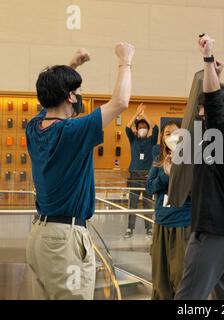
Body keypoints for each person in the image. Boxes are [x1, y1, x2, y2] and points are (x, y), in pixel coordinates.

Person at [26, 43, 135, 299]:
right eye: (78, 91)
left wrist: (71, 66)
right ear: (70, 97)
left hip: (39, 238)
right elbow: (120, 102)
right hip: (64, 241)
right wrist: (125, 61)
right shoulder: (72, 132)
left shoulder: (34, 128)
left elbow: (51, 100)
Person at [175, 34, 224, 300]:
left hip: (214, 232)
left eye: (206, 108)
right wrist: (211, 72)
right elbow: (203, 108)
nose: (202, 113)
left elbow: (213, 103)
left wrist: (207, 58)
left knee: (187, 299)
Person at [146, 121, 191, 300]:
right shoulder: (158, 162)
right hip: (162, 224)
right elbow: (150, 188)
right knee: (160, 279)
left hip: (183, 225)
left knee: (181, 277)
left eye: (175, 132)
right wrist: (165, 173)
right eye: (167, 133)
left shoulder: (191, 161)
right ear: (162, 139)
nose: (171, 136)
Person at [124, 104, 159, 239]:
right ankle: (129, 228)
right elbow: (127, 127)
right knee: (132, 203)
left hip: (147, 176)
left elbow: (155, 127)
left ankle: (149, 229)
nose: (142, 129)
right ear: (137, 130)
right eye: (140, 127)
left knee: (147, 203)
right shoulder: (133, 140)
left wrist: (144, 115)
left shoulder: (151, 140)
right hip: (134, 176)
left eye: (144, 127)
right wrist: (136, 113)